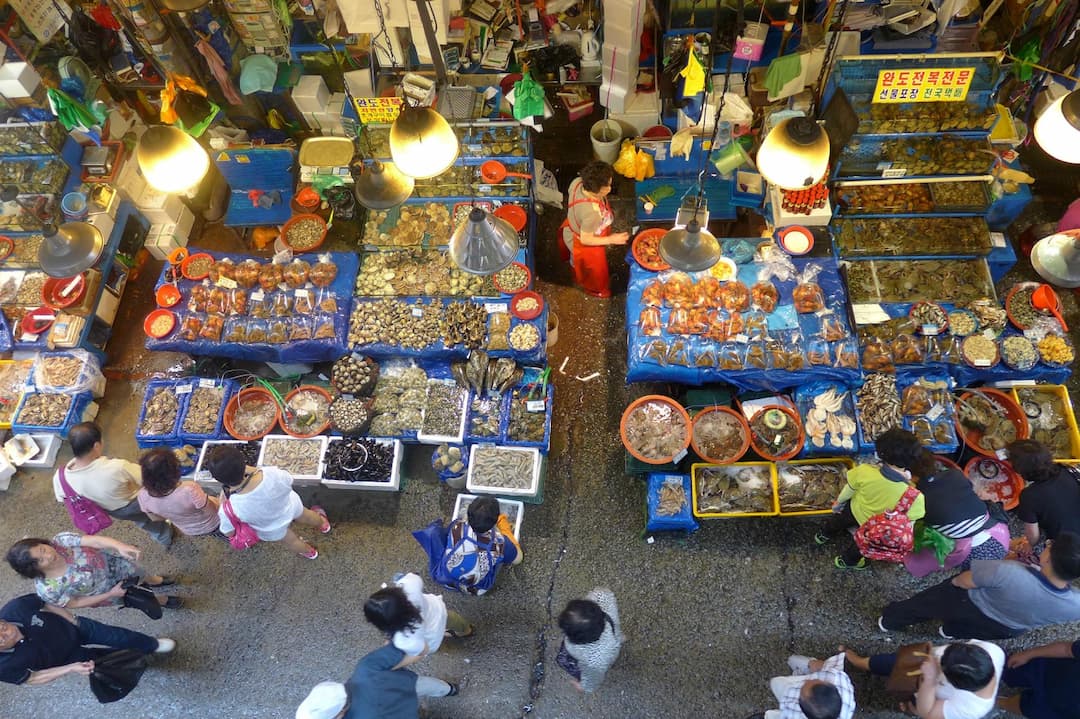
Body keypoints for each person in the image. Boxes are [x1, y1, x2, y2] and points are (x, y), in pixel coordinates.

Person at [879, 531, 1080, 639]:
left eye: (1050, 546)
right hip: (1008, 628)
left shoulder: (1011, 570)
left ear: (1048, 560)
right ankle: (947, 632)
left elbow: (964, 580)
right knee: (966, 629)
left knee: (925, 605)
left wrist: (952, 584)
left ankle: (889, 621)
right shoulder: (1076, 605)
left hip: (970, 602)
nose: (1047, 546)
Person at [0, 593, 175, 686]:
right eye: (0, 640)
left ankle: (152, 644)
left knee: (116, 636)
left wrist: (72, 619)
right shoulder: (3, 667)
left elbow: (44, 600)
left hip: (73, 628)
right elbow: (32, 678)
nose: (4, 634)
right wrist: (70, 668)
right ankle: (138, 660)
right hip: (67, 659)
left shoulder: (15, 608)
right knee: (110, 663)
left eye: (0, 627)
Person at [816, 428, 927, 570]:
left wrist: (838, 503)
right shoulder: (915, 497)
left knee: (838, 521)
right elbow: (909, 522)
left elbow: (848, 490)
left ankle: (823, 535)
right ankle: (846, 561)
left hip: (853, 510)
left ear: (881, 452)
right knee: (860, 547)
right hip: (873, 530)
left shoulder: (865, 471)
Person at [51, 422, 173, 546]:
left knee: (144, 521)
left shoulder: (60, 477)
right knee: (153, 514)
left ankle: (163, 538)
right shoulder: (116, 468)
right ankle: (169, 527)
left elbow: (62, 498)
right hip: (133, 502)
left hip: (111, 510)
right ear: (96, 445)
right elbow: (147, 479)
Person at [203, 444, 330, 559]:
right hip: (290, 506)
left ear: (219, 480)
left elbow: (228, 531)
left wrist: (223, 501)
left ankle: (310, 553)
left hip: (271, 528)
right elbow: (288, 479)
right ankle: (323, 525)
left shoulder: (230, 507)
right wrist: (255, 470)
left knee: (292, 541)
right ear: (244, 463)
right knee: (308, 516)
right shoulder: (269, 473)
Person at [5, 532, 181, 611]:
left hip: (117, 565)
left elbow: (95, 541)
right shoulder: (48, 590)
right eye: (41, 560)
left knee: (140, 573)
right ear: (33, 569)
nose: (49, 555)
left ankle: (154, 580)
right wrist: (110, 594)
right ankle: (160, 600)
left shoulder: (61, 541)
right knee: (139, 597)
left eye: (43, 549)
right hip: (107, 592)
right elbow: (75, 603)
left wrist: (119, 546)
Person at [904, 450, 1009, 576]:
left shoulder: (918, 495)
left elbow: (916, 517)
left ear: (910, 475)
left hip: (976, 554)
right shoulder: (954, 474)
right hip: (999, 535)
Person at [844, 640, 1004, 719]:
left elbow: (927, 712)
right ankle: (860, 662)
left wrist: (929, 680)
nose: (938, 658)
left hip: (926, 691)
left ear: (956, 684)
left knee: (913, 704)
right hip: (919, 669)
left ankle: (909, 706)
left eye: (942, 666)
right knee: (889, 663)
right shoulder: (992, 650)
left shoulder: (972, 708)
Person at [363, 572, 473, 671]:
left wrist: (395, 666)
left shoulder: (403, 640)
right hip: (439, 612)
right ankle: (467, 631)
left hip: (432, 636)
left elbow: (423, 651)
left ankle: (447, 634)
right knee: (455, 620)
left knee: (432, 642)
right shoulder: (410, 586)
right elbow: (415, 577)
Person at [559, 160, 629, 298]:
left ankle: (576, 269)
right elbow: (586, 239)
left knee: (576, 261)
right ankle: (594, 288)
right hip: (581, 241)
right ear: (598, 190)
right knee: (593, 271)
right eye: (607, 185)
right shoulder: (592, 213)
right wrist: (611, 239)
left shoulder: (577, 182)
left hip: (573, 227)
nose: (610, 188)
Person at [342, 642, 457, 719]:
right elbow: (399, 652)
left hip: (403, 710)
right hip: (406, 684)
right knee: (428, 686)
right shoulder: (364, 669)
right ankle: (450, 690)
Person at [436, 496, 522, 595]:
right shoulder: (499, 543)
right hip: (475, 587)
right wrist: (505, 532)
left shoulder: (457, 525)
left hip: (446, 575)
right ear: (495, 522)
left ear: (468, 514)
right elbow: (518, 559)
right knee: (502, 557)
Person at [1008, 440, 1080, 551]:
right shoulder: (1066, 470)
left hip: (1066, 547)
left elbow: (1033, 537)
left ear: (1021, 470)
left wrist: (1028, 544)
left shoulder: (1029, 496)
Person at [138, 448, 223, 539]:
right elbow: (211, 511)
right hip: (213, 523)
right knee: (223, 531)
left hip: (189, 530)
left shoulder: (142, 496)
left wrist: (172, 512)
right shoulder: (189, 489)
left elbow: (156, 518)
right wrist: (221, 501)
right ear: (175, 471)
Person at [556, 588, 623, 692]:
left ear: (576, 640)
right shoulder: (602, 596)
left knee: (564, 660)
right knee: (616, 633)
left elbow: (593, 677)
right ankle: (619, 638)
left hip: (598, 655)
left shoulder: (593, 660)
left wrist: (585, 687)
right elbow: (605, 593)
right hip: (612, 636)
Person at [998, 638, 1080, 719]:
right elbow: (1067, 649)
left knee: (1020, 706)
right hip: (1045, 670)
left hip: (1054, 709)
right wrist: (1028, 654)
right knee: (1007, 669)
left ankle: (997, 703)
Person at [764, 651, 855, 719]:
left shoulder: (792, 711)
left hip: (789, 707)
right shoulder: (837, 678)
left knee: (776, 683)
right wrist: (814, 664)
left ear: (801, 705)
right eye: (817, 679)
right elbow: (822, 666)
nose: (807, 680)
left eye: (802, 691)